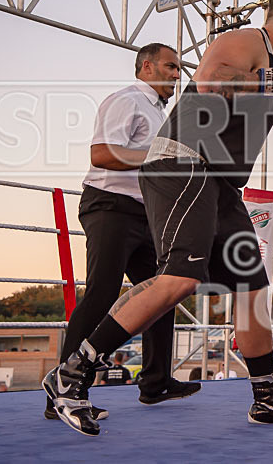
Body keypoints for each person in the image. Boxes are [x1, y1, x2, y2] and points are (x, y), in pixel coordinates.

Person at [43, 0, 273, 435]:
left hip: (219, 182)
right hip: (183, 162)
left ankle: (266, 397)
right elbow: (217, 84)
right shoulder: (242, 41)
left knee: (253, 286)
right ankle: (71, 375)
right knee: (180, 277)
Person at [44, 42, 196, 423]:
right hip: (110, 206)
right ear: (146, 67)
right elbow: (102, 154)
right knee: (102, 294)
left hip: (146, 213)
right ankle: (62, 392)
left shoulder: (160, 112)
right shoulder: (127, 99)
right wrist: (163, 155)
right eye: (170, 67)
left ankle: (156, 383)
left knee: (163, 293)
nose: (177, 75)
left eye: (179, 69)